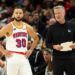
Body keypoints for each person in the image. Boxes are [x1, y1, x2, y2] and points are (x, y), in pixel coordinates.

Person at [0, 5, 39, 75]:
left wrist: (30, 50)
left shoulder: (27, 27)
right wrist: (3, 51)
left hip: (24, 57)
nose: (18, 15)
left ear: (23, 14)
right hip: (12, 57)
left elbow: (36, 39)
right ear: (13, 14)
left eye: (20, 13)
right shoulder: (8, 27)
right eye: (16, 13)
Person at [46, 5, 75, 75]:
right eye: (55, 13)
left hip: (71, 57)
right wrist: (54, 46)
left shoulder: (72, 26)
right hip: (57, 59)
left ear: (64, 13)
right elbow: (47, 43)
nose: (57, 15)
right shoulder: (51, 28)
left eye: (59, 13)